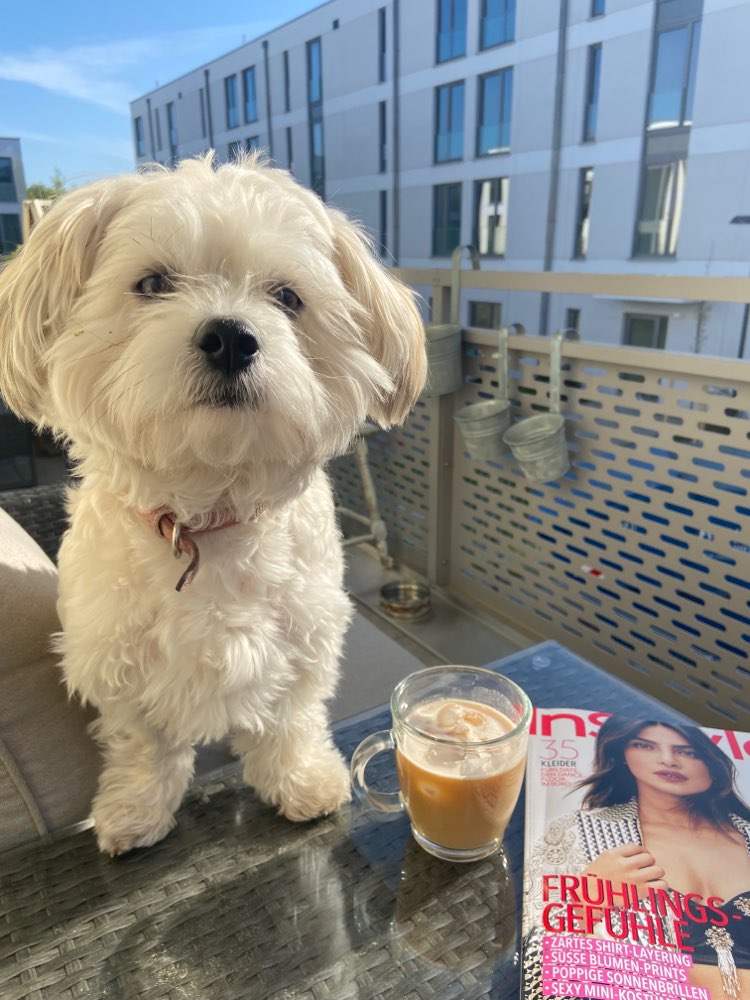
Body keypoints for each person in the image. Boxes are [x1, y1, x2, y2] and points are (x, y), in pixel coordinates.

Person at [524, 716, 750, 1000]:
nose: (668, 760)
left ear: (712, 763)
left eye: (688, 752)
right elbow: (533, 973)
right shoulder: (576, 832)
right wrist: (584, 900)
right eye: (645, 746)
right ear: (622, 755)